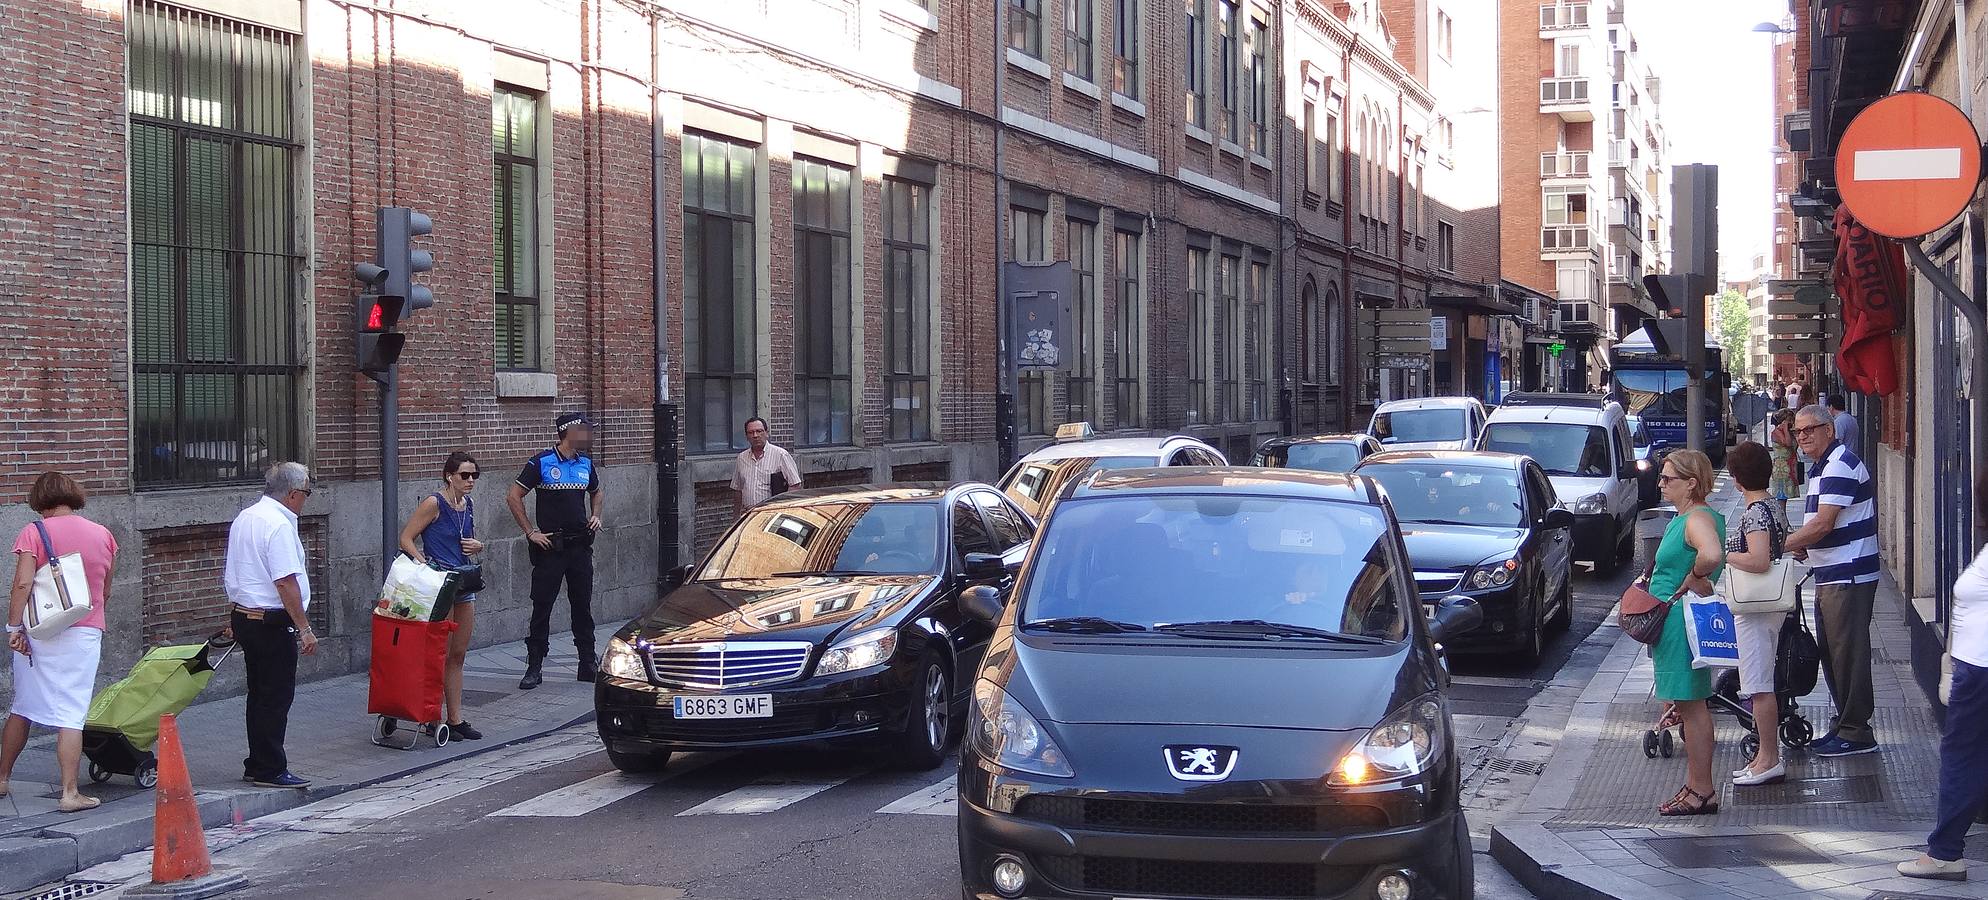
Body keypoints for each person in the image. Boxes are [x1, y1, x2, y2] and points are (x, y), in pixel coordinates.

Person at [0, 473, 118, 812]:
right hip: (83, 631)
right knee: (71, 711)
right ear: (73, 495)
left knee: (23, 706)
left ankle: (3, 777)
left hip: (37, 633)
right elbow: (104, 591)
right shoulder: (104, 535)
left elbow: (22, 584)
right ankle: (69, 793)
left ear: (40, 499)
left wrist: (14, 627)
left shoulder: (33, 532)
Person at [1899, 479, 1988, 881]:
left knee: (1963, 759)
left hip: (1981, 671)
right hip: (1973, 668)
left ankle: (1946, 852)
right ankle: (1945, 849)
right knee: (1964, 758)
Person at [1785, 403, 1882, 757]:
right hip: (1833, 573)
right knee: (1833, 653)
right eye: (1798, 431)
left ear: (1830, 430)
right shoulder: (1823, 467)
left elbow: (1823, 524)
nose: (1803, 436)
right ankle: (1845, 724)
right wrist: (1807, 549)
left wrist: (1779, 545)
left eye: (1810, 429)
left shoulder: (1839, 463)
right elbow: (1825, 529)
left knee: (1847, 654)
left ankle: (1856, 732)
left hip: (1849, 575)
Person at [224, 462, 317, 789]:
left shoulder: (246, 516)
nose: (306, 499)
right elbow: (285, 582)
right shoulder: (277, 525)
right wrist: (304, 628)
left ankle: (258, 762)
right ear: (293, 494)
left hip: (246, 615)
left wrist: (233, 615)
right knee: (275, 697)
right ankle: (270, 767)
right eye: (306, 493)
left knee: (260, 695)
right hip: (270, 621)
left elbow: (240, 572)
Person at [1647, 449, 1726, 816]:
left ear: (1691, 483)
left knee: (1694, 708)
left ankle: (1702, 790)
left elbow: (1710, 554)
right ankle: (1696, 786)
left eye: (1669, 479)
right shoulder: (1688, 517)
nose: (1661, 484)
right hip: (1675, 620)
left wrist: (1694, 578)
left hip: (1680, 620)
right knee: (1688, 705)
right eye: (1661, 478)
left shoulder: (1695, 518)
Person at [509, 413, 605, 689]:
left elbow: (597, 492)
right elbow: (513, 495)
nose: (590, 435)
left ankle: (587, 662)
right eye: (585, 430)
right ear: (569, 432)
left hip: (580, 547)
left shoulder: (586, 463)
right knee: (542, 606)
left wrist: (596, 515)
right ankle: (535, 665)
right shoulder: (541, 462)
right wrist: (530, 531)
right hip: (551, 547)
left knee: (582, 605)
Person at [398, 452, 485, 741]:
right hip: (440, 583)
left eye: (474, 475)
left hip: (464, 582)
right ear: (449, 476)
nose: (470, 480)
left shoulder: (467, 504)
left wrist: (478, 545)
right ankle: (431, 716)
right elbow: (406, 537)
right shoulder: (434, 503)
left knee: (458, 653)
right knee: (439, 652)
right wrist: (424, 564)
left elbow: (467, 541)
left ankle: (456, 718)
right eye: (464, 475)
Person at [1723, 441, 1791, 786]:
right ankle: (1764, 757)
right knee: (1760, 682)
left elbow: (1759, 560)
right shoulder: (1773, 507)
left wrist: (1724, 554)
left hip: (1755, 607)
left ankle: (1769, 758)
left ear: (1736, 479)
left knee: (1758, 685)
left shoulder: (1753, 513)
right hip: (1767, 606)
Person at [731, 417, 803, 518]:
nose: (755, 435)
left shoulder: (781, 455)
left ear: (766, 433)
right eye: (751, 432)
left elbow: (795, 485)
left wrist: (780, 509)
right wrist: (736, 517)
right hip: (747, 515)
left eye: (759, 431)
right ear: (746, 436)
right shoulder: (741, 458)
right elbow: (737, 489)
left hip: (771, 515)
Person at [1768, 409, 1799, 503]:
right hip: (1781, 468)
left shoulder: (1790, 432)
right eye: (1788, 420)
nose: (1790, 422)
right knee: (1781, 496)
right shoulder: (1777, 432)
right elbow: (1788, 443)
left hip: (1790, 466)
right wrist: (1785, 429)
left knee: (1786, 496)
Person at [1827, 393, 1862, 459]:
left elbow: (1837, 442)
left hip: (1843, 457)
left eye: (1828, 408)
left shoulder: (1838, 421)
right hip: (1853, 455)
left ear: (1831, 407)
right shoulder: (1852, 419)